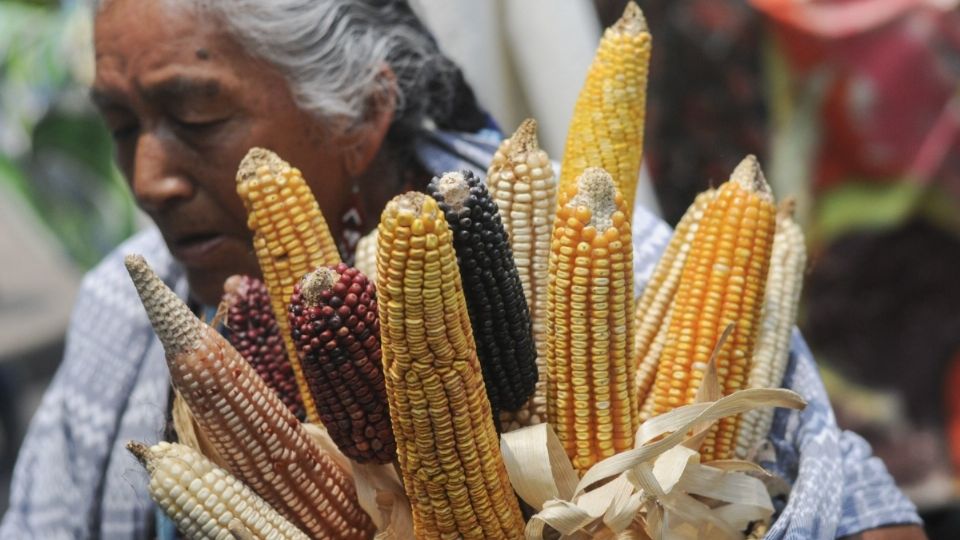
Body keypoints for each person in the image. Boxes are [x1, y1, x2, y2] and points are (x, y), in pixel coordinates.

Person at [0, 0, 926, 538]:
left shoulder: (623, 267)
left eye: (196, 120)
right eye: (122, 129)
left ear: (361, 114)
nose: (150, 180)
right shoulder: (126, 306)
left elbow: (870, 515)